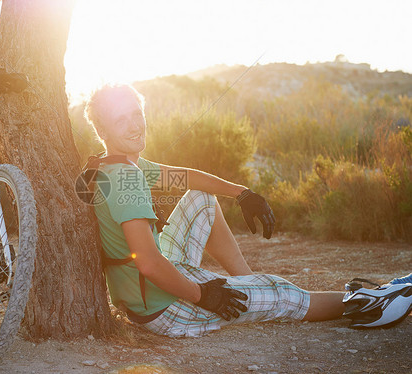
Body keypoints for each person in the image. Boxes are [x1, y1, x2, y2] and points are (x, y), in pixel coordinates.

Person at [82, 84, 348, 337]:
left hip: (141, 295)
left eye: (136, 114)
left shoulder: (121, 165)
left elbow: (186, 179)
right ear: (103, 132)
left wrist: (241, 193)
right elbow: (149, 263)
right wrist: (202, 295)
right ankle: (366, 302)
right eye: (121, 121)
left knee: (202, 200)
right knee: (281, 294)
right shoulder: (125, 180)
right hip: (162, 310)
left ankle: (250, 282)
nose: (135, 125)